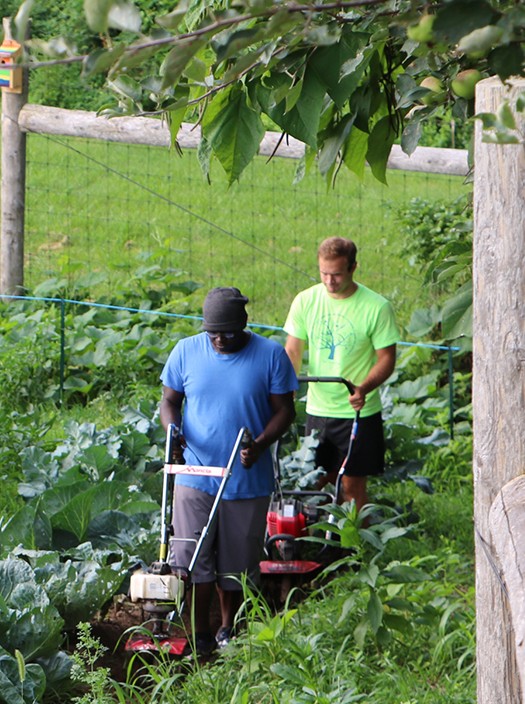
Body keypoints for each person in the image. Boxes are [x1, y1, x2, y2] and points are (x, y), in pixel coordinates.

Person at [160, 287, 297, 649]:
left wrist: (261, 443)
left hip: (247, 479)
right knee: (191, 556)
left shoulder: (270, 355)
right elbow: (170, 401)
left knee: (237, 562)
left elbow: (285, 411)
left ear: (244, 326)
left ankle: (227, 628)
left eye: (229, 333)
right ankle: (199, 632)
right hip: (195, 473)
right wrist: (173, 434)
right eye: (213, 333)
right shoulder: (186, 351)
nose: (220, 340)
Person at [283, 237, 399, 509]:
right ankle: (315, 543)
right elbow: (292, 353)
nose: (329, 281)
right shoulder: (305, 301)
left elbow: (387, 360)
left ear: (353, 268)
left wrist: (363, 388)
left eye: (336, 274)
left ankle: (355, 548)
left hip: (357, 411)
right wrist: (284, 389)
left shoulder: (376, 307)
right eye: (323, 273)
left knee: (351, 486)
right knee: (315, 481)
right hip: (318, 409)